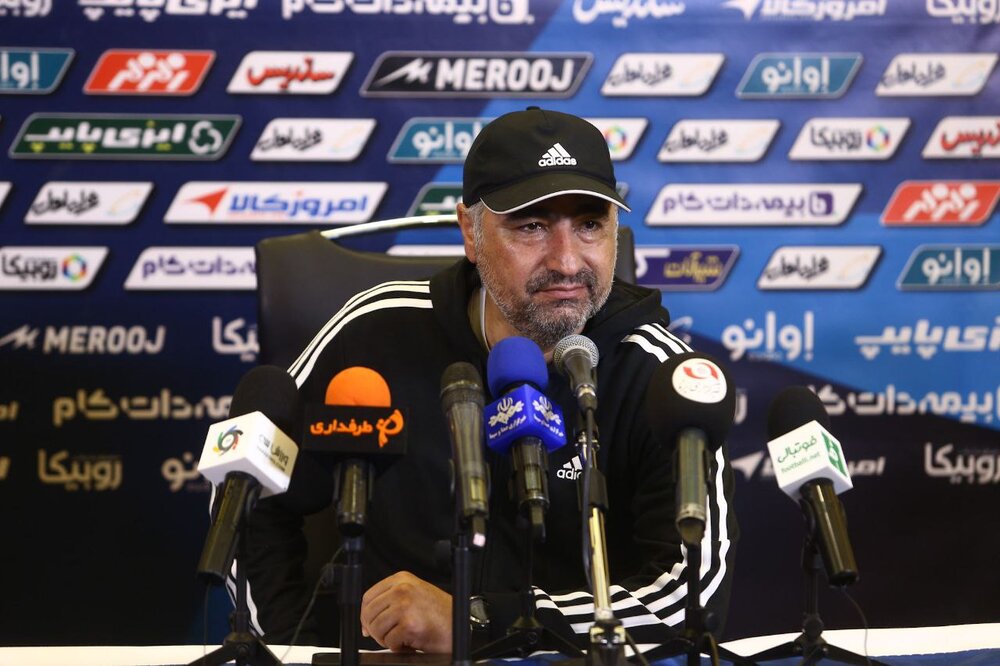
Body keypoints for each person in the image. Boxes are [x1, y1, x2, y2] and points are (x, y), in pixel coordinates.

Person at [238, 107, 738, 655]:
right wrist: (296, 650)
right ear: (470, 234)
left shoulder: (661, 377)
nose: (567, 261)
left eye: (590, 225)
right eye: (531, 227)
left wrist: (478, 622)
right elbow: (247, 499)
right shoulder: (372, 333)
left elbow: (690, 597)